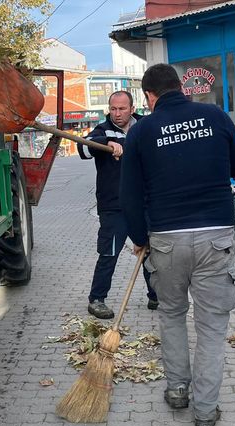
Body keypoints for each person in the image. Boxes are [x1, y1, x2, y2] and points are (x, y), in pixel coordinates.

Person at [120, 64, 235, 426]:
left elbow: (129, 194)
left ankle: (177, 389)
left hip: (166, 239)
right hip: (215, 236)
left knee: (172, 314)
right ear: (181, 87)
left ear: (148, 96)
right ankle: (206, 411)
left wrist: (140, 238)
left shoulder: (141, 131)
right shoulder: (214, 115)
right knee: (211, 326)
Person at [79, 90, 157, 320]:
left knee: (150, 252)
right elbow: (83, 148)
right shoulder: (103, 130)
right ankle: (96, 299)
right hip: (114, 207)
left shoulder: (146, 126)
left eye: (122, 109)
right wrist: (107, 142)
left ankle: (156, 296)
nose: (117, 113)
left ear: (132, 109)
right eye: (113, 109)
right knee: (109, 253)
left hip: (143, 204)